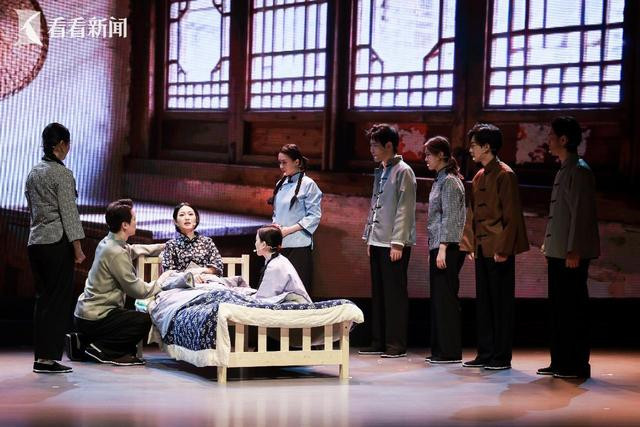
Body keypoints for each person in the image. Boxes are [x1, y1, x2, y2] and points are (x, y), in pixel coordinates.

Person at [460, 123, 529, 370]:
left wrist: (504, 249)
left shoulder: (504, 174)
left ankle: (501, 356)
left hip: (499, 249)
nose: (471, 150)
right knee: (484, 303)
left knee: (501, 304)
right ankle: (485, 352)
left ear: (487, 147)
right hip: (482, 247)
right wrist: (470, 244)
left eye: (474, 145)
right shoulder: (479, 176)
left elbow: (512, 216)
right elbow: (472, 214)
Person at [538, 116, 599, 379]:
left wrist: (574, 249)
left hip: (570, 254)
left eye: (552, 135)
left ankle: (575, 364)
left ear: (563, 139)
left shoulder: (579, 170)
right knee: (558, 309)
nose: (548, 139)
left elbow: (581, 215)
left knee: (573, 309)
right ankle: (560, 361)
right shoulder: (565, 168)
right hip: (558, 252)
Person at [74, 199, 169, 366]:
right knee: (143, 320)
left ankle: (93, 344)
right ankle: (103, 350)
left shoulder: (108, 242)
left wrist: (163, 247)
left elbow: (131, 249)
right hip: (96, 317)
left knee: (129, 333)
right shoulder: (115, 252)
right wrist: (163, 282)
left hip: (84, 315)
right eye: (134, 219)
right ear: (125, 225)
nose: (136, 222)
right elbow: (137, 290)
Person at [25, 122, 86, 374]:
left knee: (43, 300)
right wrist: (78, 249)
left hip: (36, 242)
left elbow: (31, 208)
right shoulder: (62, 174)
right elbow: (69, 214)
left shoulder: (34, 172)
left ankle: (42, 357)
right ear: (61, 144)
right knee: (58, 301)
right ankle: (48, 359)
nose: (68, 149)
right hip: (56, 242)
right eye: (68, 144)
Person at [359, 124, 417, 358]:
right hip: (378, 241)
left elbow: (405, 209)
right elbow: (375, 205)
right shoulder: (382, 170)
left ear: (389, 145)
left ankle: (396, 344)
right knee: (379, 293)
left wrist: (398, 242)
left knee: (394, 295)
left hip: (393, 243)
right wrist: (369, 237)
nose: (372, 150)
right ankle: (379, 341)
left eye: (375, 145)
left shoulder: (404, 171)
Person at [423, 136, 467, 364]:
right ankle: (440, 350)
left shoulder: (449, 181)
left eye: (429, 154)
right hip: (438, 245)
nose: (426, 159)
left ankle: (449, 351)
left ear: (441, 155)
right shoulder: (440, 179)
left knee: (446, 299)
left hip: (447, 247)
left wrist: (442, 248)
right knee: (439, 299)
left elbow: (450, 217)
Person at [269, 144, 322, 295]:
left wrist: (289, 230)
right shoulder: (281, 183)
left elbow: (314, 216)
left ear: (297, 162)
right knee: (280, 290)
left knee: (298, 291)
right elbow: (276, 212)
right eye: (279, 162)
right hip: (280, 244)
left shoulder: (309, 184)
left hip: (299, 245)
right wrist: (276, 226)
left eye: (284, 162)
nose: (281, 166)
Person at [161, 202, 223, 275]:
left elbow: (218, 266)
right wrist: (188, 276)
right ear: (175, 222)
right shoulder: (171, 245)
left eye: (190, 214)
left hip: (206, 279)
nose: (187, 218)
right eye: (182, 215)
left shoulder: (207, 242)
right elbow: (168, 272)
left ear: (196, 219)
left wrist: (201, 271)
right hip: (181, 281)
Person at [254, 225, 312, 303]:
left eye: (256, 240)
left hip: (296, 305)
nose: (255, 243)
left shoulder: (275, 266)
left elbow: (264, 298)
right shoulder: (278, 260)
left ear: (263, 245)